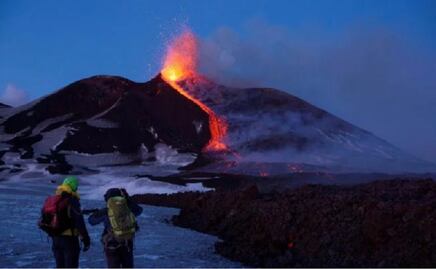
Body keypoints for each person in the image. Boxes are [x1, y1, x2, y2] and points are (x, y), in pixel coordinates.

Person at [88, 188, 143, 268]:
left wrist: (97, 213)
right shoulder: (128, 209)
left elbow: (91, 221)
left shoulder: (106, 211)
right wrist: (127, 199)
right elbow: (139, 210)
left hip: (111, 244)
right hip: (127, 242)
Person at [51, 176, 91, 268]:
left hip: (55, 239)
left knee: (60, 266)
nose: (77, 189)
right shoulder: (72, 200)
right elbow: (79, 222)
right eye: (76, 186)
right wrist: (86, 239)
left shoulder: (55, 199)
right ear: (73, 186)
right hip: (69, 240)